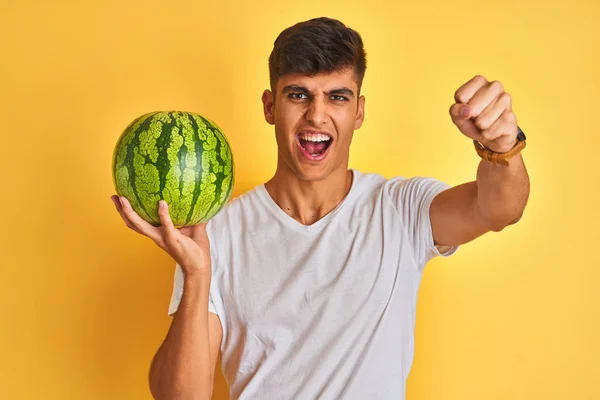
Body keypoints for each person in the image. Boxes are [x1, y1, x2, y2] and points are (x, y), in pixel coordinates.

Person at [111, 16, 530, 400]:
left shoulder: (399, 209)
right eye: (298, 95)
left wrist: (502, 146)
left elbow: (499, 209)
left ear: (359, 111)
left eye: (337, 97)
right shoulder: (215, 232)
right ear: (270, 107)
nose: (317, 115)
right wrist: (197, 273)